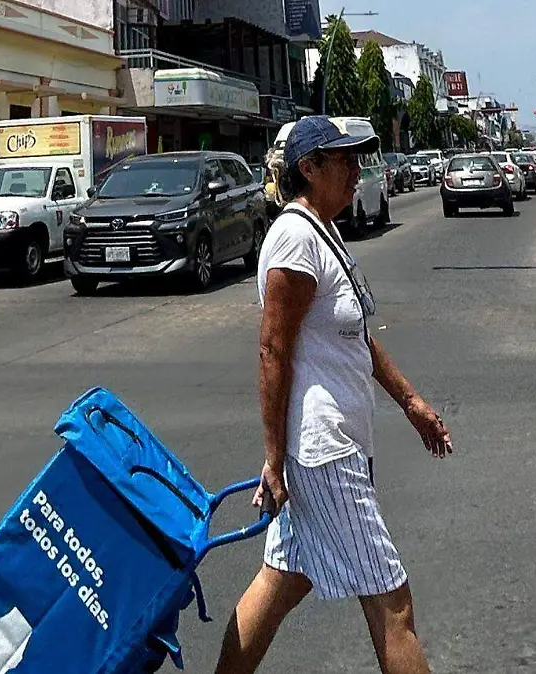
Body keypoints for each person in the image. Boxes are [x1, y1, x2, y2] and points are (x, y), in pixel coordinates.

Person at [214, 116, 454, 674]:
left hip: (330, 446)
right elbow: (273, 351)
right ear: (309, 167)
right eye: (344, 161)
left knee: (283, 580)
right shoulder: (295, 238)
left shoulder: (323, 230)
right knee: (391, 602)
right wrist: (274, 459)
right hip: (324, 452)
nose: (357, 171)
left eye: (357, 159)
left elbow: (357, 338)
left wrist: (411, 403)